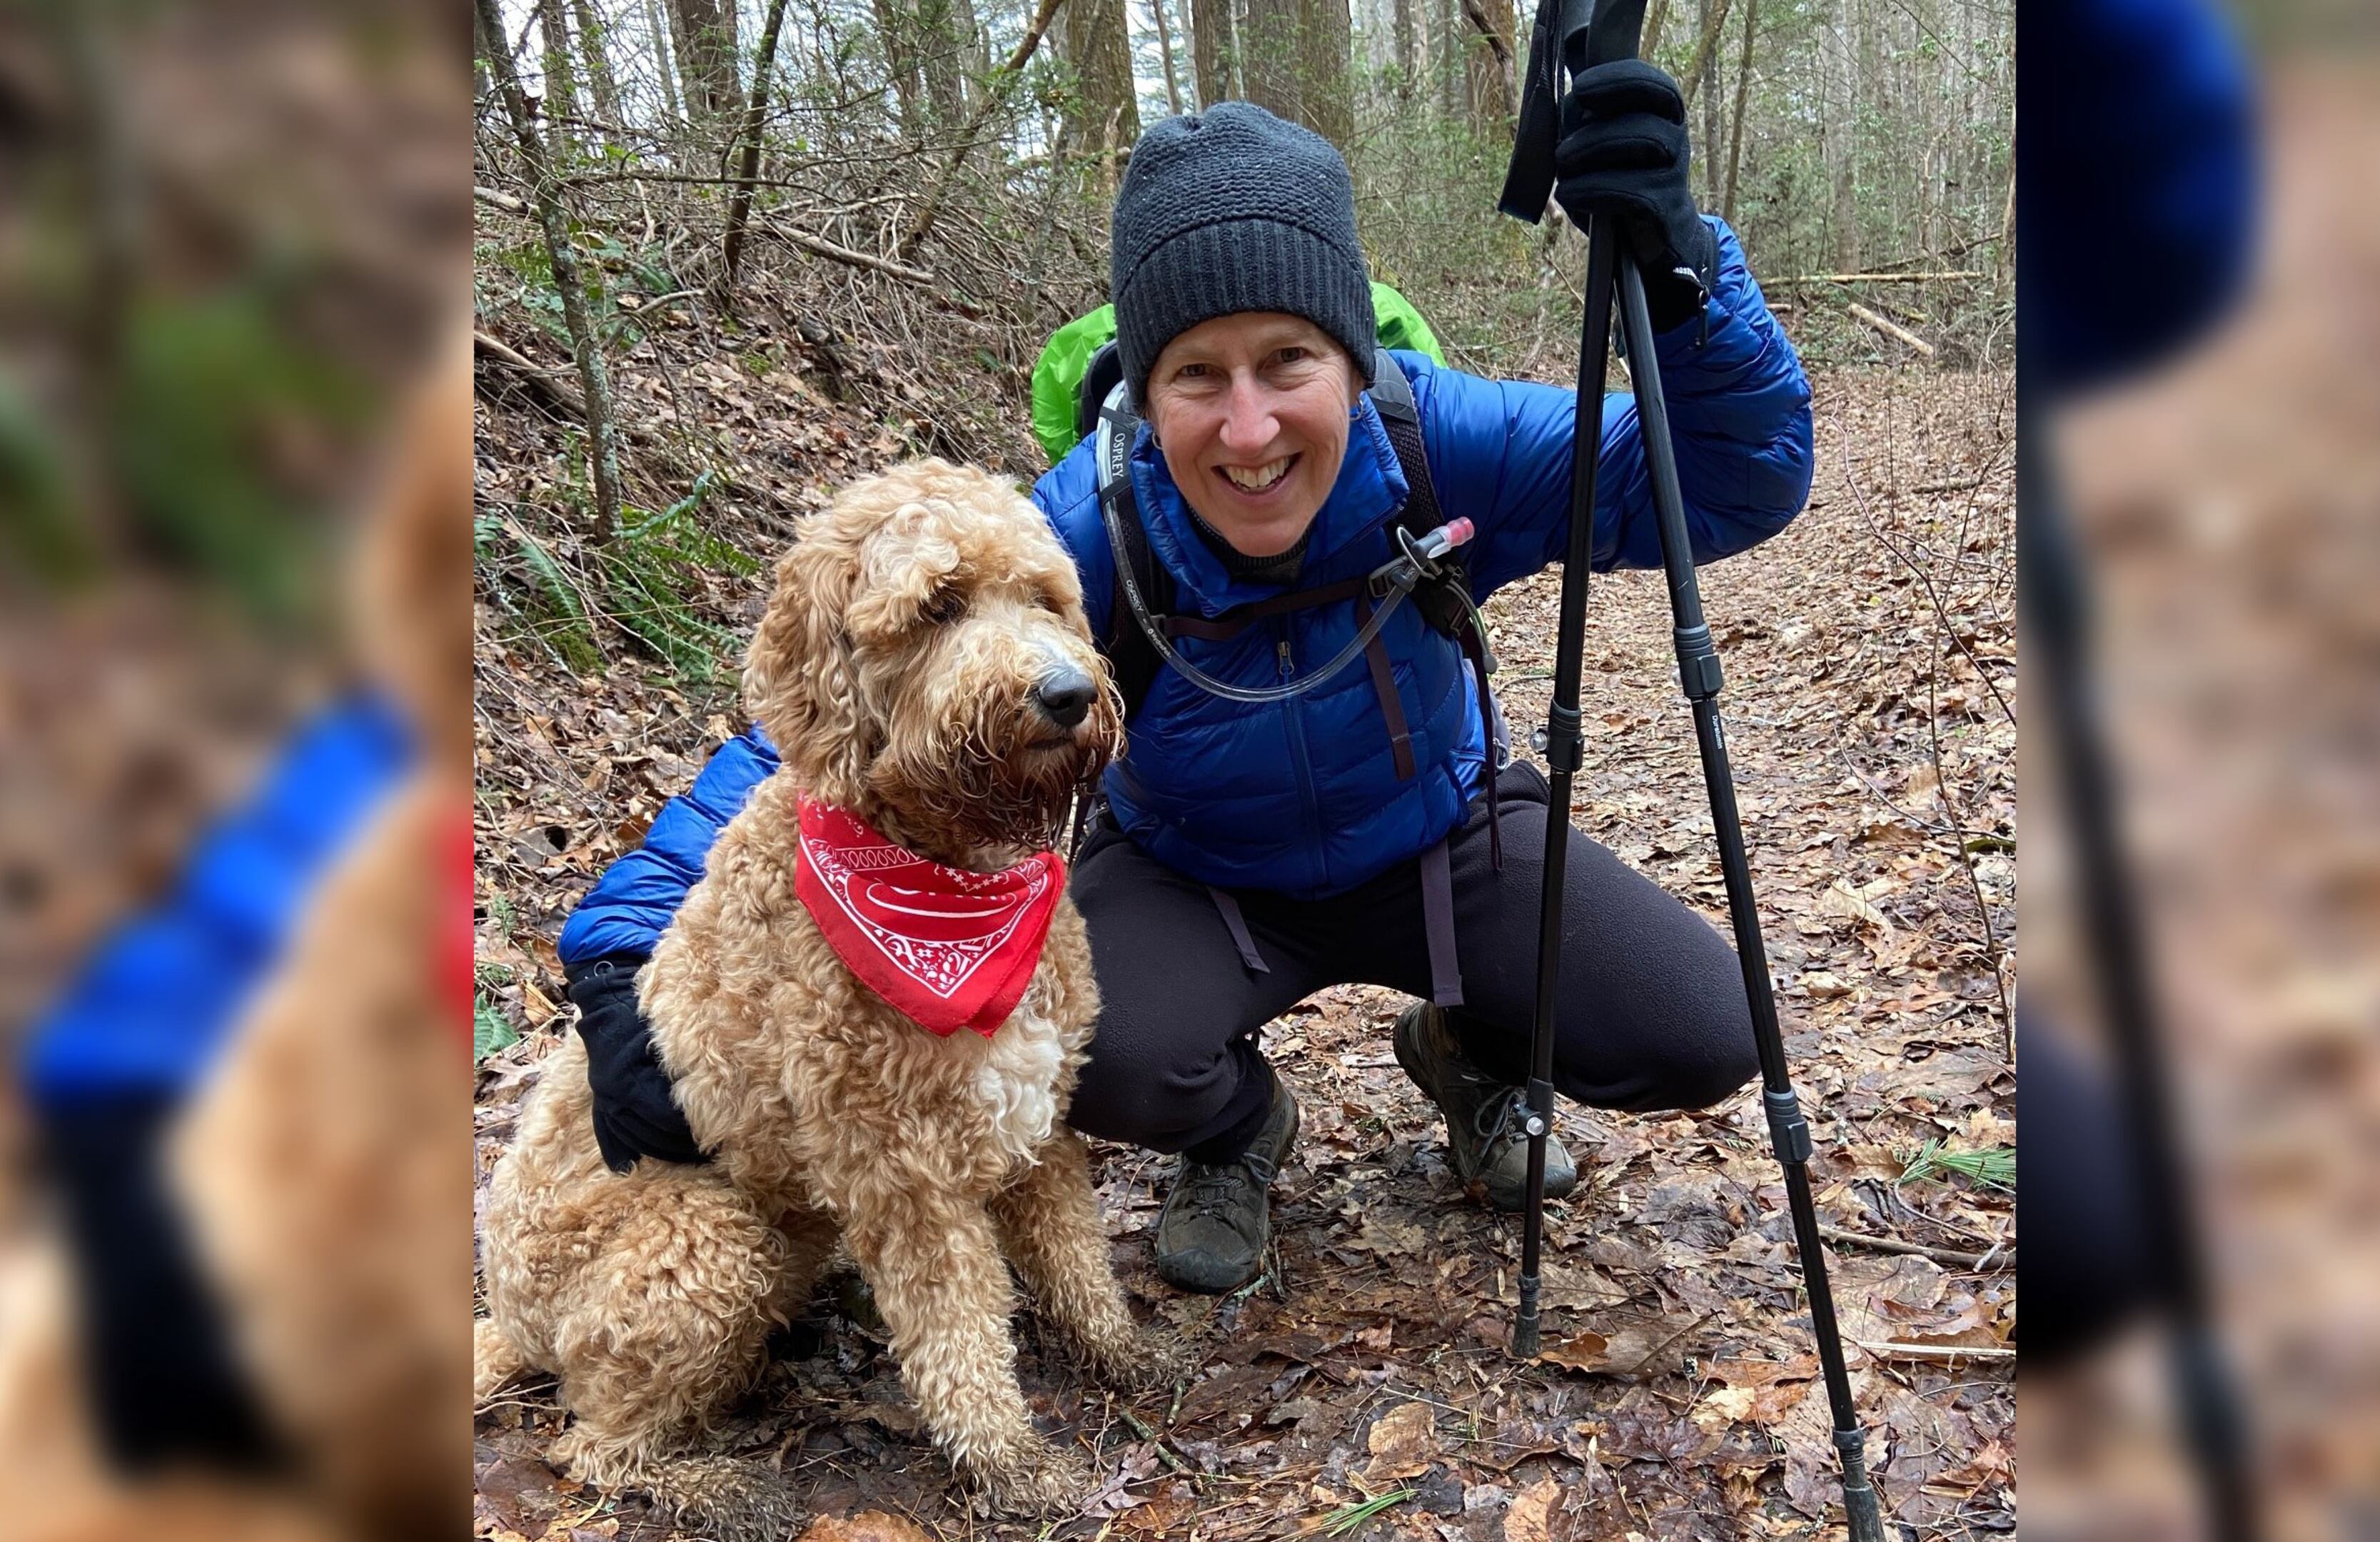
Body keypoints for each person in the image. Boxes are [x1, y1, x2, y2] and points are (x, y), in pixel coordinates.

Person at [560, 80, 1811, 1295]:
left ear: (1355, 361)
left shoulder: (1440, 444)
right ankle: (1239, 1127)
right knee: (1087, 1048)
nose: (1250, 427)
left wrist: (1684, 279)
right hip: (1199, 878)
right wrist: (621, 965)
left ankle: (1468, 1046)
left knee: (1706, 1030)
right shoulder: (1086, 531)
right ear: (1145, 390)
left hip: (1442, 838)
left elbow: (1729, 482)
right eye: (1197, 376)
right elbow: (815, 738)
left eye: (1289, 360)